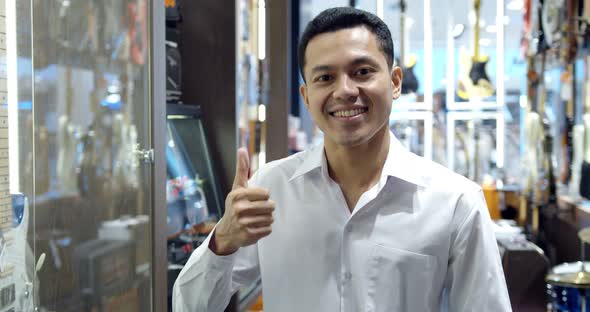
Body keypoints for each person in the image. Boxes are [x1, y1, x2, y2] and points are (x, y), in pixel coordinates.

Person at [173, 7, 511, 312]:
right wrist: (224, 242)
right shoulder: (269, 189)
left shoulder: (455, 202)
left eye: (362, 72)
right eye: (325, 78)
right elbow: (190, 306)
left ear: (394, 82)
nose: (345, 90)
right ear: (306, 96)